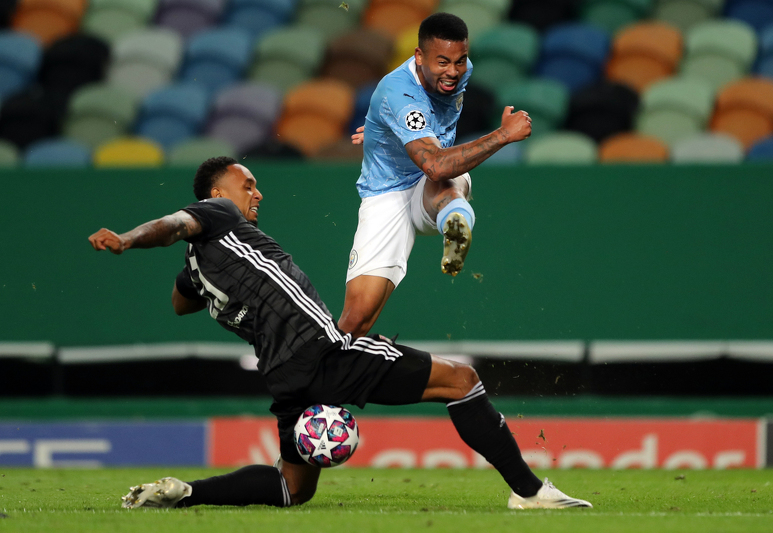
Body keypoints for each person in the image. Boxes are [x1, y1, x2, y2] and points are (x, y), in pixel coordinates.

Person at [88, 157, 591, 511]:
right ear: (217, 196)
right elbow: (175, 223)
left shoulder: (198, 268)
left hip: (285, 379)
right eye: (248, 184)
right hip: (322, 351)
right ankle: (528, 492)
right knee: (461, 381)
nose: (257, 193)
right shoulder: (217, 214)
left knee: (293, 488)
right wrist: (129, 240)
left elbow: (180, 303)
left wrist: (197, 273)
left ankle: (187, 493)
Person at [340, 13, 534, 338]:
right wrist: (502, 135)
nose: (453, 72)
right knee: (357, 320)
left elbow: (432, 157)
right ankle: (324, 378)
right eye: (443, 62)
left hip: (428, 186)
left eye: (460, 61)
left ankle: (456, 222)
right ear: (418, 56)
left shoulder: (461, 73)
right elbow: (435, 161)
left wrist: (385, 131)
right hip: (387, 195)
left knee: (448, 184)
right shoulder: (397, 92)